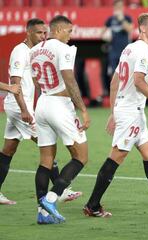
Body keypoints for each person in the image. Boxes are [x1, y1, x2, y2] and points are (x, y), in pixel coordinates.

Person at [83, 12, 148, 218]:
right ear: (143, 28)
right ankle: (92, 205)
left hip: (131, 111)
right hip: (130, 112)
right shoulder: (144, 50)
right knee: (117, 155)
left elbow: (114, 82)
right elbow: (138, 81)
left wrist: (113, 111)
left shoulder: (129, 49)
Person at [0, 18, 81, 207]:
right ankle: (60, 191)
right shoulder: (20, 52)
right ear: (28, 33)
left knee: (8, 149)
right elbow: (15, 84)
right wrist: (24, 110)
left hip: (22, 107)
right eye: (39, 33)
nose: (43, 36)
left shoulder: (36, 52)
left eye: (45, 32)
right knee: (47, 145)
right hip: (19, 108)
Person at [30, 15, 90, 224]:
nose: (70, 36)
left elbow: (36, 81)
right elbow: (69, 78)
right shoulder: (64, 49)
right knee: (81, 156)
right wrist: (82, 108)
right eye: (69, 31)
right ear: (57, 30)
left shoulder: (34, 50)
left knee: (46, 160)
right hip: (59, 106)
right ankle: (51, 198)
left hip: (43, 103)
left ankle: (42, 213)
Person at [102, 0, 133, 96]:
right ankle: (116, 95)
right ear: (114, 8)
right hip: (113, 51)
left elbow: (130, 29)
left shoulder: (127, 18)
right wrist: (106, 36)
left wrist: (121, 19)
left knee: (127, 73)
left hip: (125, 51)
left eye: (120, 7)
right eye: (117, 7)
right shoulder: (110, 20)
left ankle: (126, 94)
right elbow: (102, 33)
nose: (118, 9)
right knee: (114, 74)